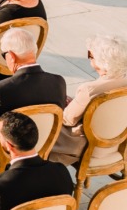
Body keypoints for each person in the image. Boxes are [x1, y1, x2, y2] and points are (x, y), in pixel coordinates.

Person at [0, 28, 69, 187]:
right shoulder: (58, 82)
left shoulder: (1, 90)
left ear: (11, 56)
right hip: (39, 152)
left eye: (4, 55)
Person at [52, 34, 127, 166]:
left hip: (87, 144)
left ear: (101, 62)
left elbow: (67, 120)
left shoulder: (89, 90)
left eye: (91, 56)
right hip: (118, 143)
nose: (89, 60)